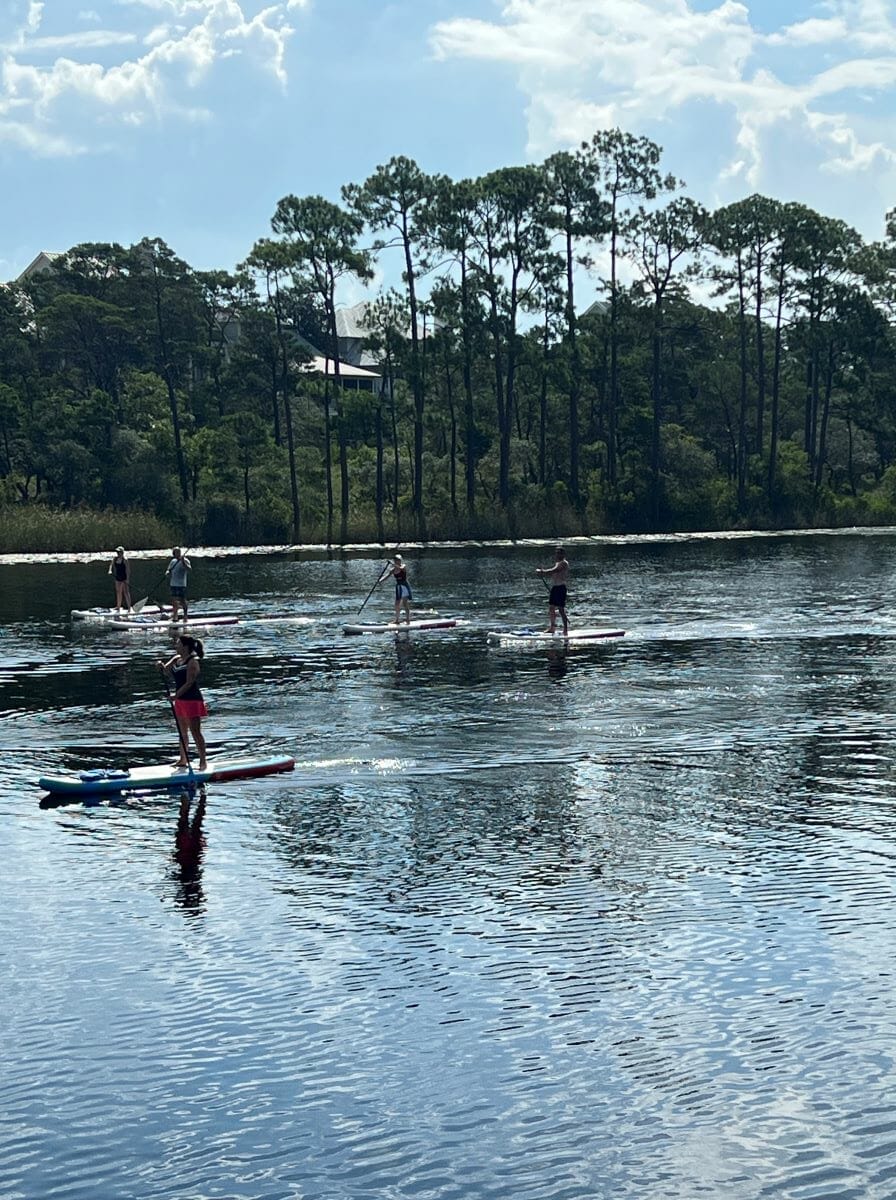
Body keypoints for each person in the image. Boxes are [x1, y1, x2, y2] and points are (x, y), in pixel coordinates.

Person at [158, 634, 208, 770]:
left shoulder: (193, 662)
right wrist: (160, 666)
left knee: (195, 732)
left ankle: (203, 761)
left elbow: (189, 682)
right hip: (180, 700)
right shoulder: (176, 659)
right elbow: (165, 671)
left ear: (185, 647)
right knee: (182, 731)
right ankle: (183, 759)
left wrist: (176, 695)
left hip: (192, 699)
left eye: (178, 643)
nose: (176, 646)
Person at [536, 545, 570, 635]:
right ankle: (552, 628)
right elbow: (552, 572)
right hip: (555, 588)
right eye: (557, 553)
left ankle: (565, 630)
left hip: (561, 588)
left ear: (563, 554)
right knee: (551, 608)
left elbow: (555, 570)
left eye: (559, 553)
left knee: (561, 610)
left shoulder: (564, 563)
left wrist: (543, 572)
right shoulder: (558, 563)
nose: (557, 555)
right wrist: (543, 573)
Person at [380, 553, 412, 624]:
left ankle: (408, 619)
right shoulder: (393, 570)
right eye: (396, 560)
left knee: (405, 603)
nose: (398, 561)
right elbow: (387, 576)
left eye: (399, 560)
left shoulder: (403, 566)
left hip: (404, 586)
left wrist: (392, 564)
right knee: (397, 604)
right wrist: (380, 580)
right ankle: (397, 620)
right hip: (398, 587)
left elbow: (401, 568)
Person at [165, 547, 191, 622]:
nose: (176, 554)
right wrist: (167, 573)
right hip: (173, 584)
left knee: (182, 601)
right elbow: (169, 569)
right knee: (174, 600)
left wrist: (182, 561)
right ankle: (175, 617)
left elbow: (189, 569)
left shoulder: (185, 560)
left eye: (177, 552)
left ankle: (185, 616)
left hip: (181, 584)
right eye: (175, 553)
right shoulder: (173, 561)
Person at [108, 546, 131, 612]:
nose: (118, 553)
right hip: (118, 577)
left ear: (122, 552)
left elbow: (128, 570)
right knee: (118, 592)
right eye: (117, 552)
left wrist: (127, 579)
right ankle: (118, 606)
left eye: (119, 552)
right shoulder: (115, 559)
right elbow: (111, 565)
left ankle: (129, 608)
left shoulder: (125, 560)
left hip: (124, 578)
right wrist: (110, 570)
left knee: (126, 592)